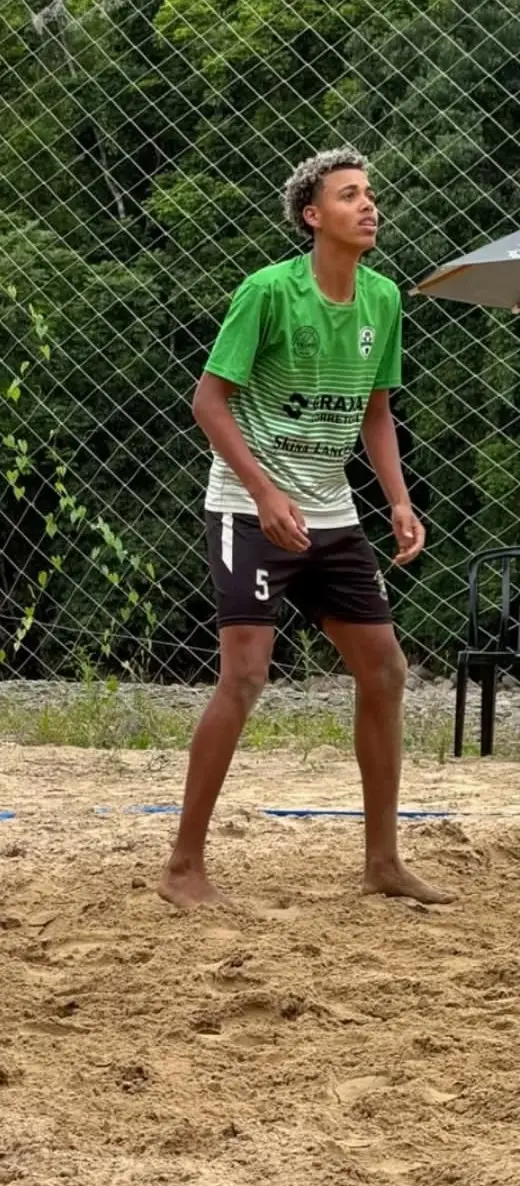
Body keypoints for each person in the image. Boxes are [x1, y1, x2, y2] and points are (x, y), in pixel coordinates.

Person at [159, 147, 450, 909]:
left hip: (331, 508)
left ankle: (383, 861)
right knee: (246, 674)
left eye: (371, 194)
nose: (369, 205)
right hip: (247, 503)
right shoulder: (268, 292)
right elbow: (208, 403)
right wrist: (262, 492)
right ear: (312, 216)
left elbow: (378, 413)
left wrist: (398, 498)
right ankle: (184, 866)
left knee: (385, 670)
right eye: (350, 195)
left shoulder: (383, 298)